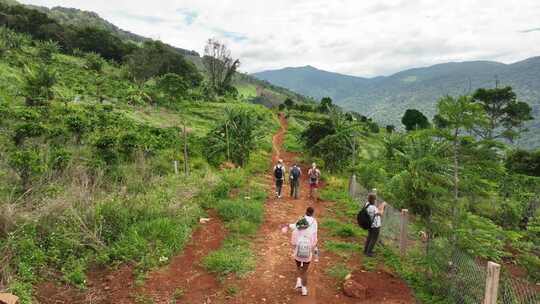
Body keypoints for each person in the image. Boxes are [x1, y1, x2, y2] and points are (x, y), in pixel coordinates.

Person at [290, 207, 318, 296]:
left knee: (298, 267)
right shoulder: (314, 222)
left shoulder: (301, 220)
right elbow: (314, 236)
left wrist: (294, 246)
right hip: (308, 248)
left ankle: (298, 281)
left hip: (299, 247)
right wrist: (313, 247)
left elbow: (294, 232)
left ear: (305, 212)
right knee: (305, 271)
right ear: (313, 213)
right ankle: (304, 290)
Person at [363, 193, 386, 257]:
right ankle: (369, 252)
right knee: (374, 239)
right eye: (375, 199)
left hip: (369, 224)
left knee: (369, 237)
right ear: (373, 200)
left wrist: (380, 206)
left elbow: (376, 210)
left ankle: (366, 250)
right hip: (375, 226)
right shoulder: (373, 207)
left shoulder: (367, 204)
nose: (376, 200)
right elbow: (380, 213)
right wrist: (383, 206)